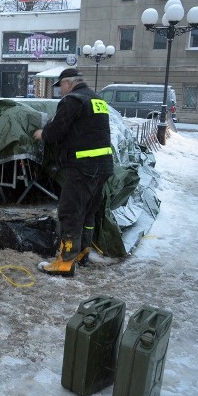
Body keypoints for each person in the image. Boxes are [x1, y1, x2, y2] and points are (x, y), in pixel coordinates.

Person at [33, 68, 113, 276]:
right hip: (102, 166)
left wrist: (42, 133)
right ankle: (82, 253)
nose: (60, 91)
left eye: (61, 86)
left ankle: (65, 262)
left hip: (81, 167)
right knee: (88, 212)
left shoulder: (73, 101)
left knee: (69, 212)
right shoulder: (97, 100)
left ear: (68, 83)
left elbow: (56, 131)